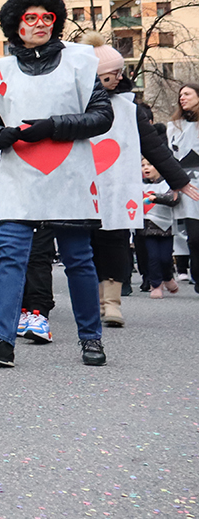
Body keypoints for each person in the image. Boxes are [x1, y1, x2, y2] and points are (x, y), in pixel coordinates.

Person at [0, 0, 113, 369]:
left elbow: (102, 117)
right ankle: (1, 340)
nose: (39, 24)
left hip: (69, 174)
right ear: (15, 25)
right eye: (30, 18)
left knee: (78, 258)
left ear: (56, 21)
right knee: (11, 257)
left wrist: (53, 126)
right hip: (19, 174)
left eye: (46, 17)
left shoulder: (80, 63)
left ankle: (91, 339)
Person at [84, 39, 196, 326]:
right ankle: (94, 300)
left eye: (122, 71)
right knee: (86, 244)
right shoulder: (73, 103)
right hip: (81, 186)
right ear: (94, 74)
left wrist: (179, 180)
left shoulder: (127, 106)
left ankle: (112, 302)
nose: (121, 77)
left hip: (118, 185)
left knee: (116, 241)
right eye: (113, 73)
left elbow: (154, 147)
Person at [166, 83, 199, 295]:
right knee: (194, 236)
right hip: (188, 184)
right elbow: (170, 156)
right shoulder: (174, 126)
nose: (182, 98)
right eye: (180, 95)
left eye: (187, 94)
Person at [141, 159, 182, 298]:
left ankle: (168, 277)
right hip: (147, 229)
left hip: (166, 228)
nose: (146, 168)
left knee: (165, 258)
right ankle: (156, 285)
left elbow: (174, 199)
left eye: (149, 164)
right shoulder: (139, 185)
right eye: (142, 165)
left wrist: (155, 198)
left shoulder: (168, 184)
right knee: (153, 257)